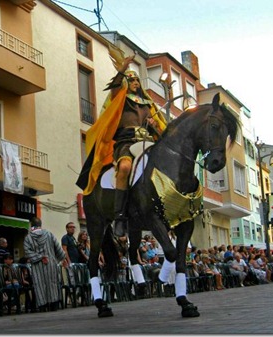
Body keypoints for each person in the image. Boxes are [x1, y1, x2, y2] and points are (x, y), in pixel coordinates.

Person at [76, 53, 167, 237]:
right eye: (131, 79)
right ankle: (119, 217)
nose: (135, 82)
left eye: (136, 80)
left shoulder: (148, 104)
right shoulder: (121, 100)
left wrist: (154, 125)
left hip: (147, 143)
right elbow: (115, 87)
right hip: (126, 143)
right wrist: (123, 69)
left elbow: (160, 130)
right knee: (125, 167)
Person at [23, 217, 66, 312]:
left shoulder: (28, 238)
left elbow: (27, 252)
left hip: (37, 265)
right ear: (40, 225)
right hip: (51, 263)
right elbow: (59, 249)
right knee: (52, 283)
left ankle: (42, 306)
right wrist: (57, 259)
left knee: (39, 285)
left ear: (31, 225)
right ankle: (54, 305)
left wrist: (39, 257)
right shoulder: (49, 234)